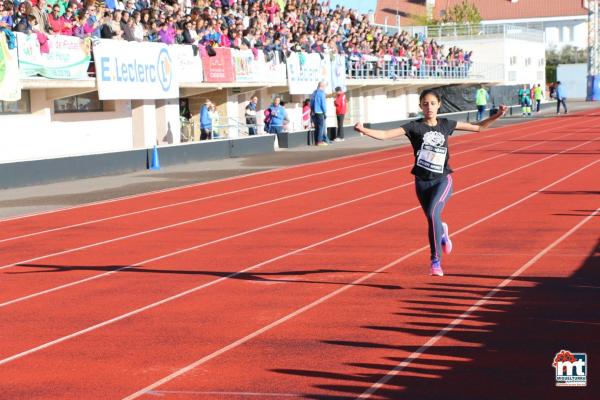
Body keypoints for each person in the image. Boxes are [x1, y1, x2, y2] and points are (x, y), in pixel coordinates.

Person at [354, 89, 508, 276]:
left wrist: (497, 115)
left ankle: (435, 261)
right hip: (421, 182)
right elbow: (386, 135)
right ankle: (442, 231)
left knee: (433, 212)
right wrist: (364, 130)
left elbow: (478, 127)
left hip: (442, 180)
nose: (429, 107)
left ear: (439, 105)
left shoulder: (446, 124)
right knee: (431, 218)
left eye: (432, 103)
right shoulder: (414, 127)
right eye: (425, 104)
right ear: (420, 106)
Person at [310, 81, 328, 146]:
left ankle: (316, 141)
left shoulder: (314, 93)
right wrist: (325, 112)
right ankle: (320, 141)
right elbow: (323, 104)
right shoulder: (322, 93)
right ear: (322, 86)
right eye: (325, 86)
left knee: (317, 127)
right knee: (321, 127)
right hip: (320, 112)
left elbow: (311, 103)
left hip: (314, 112)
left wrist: (312, 110)